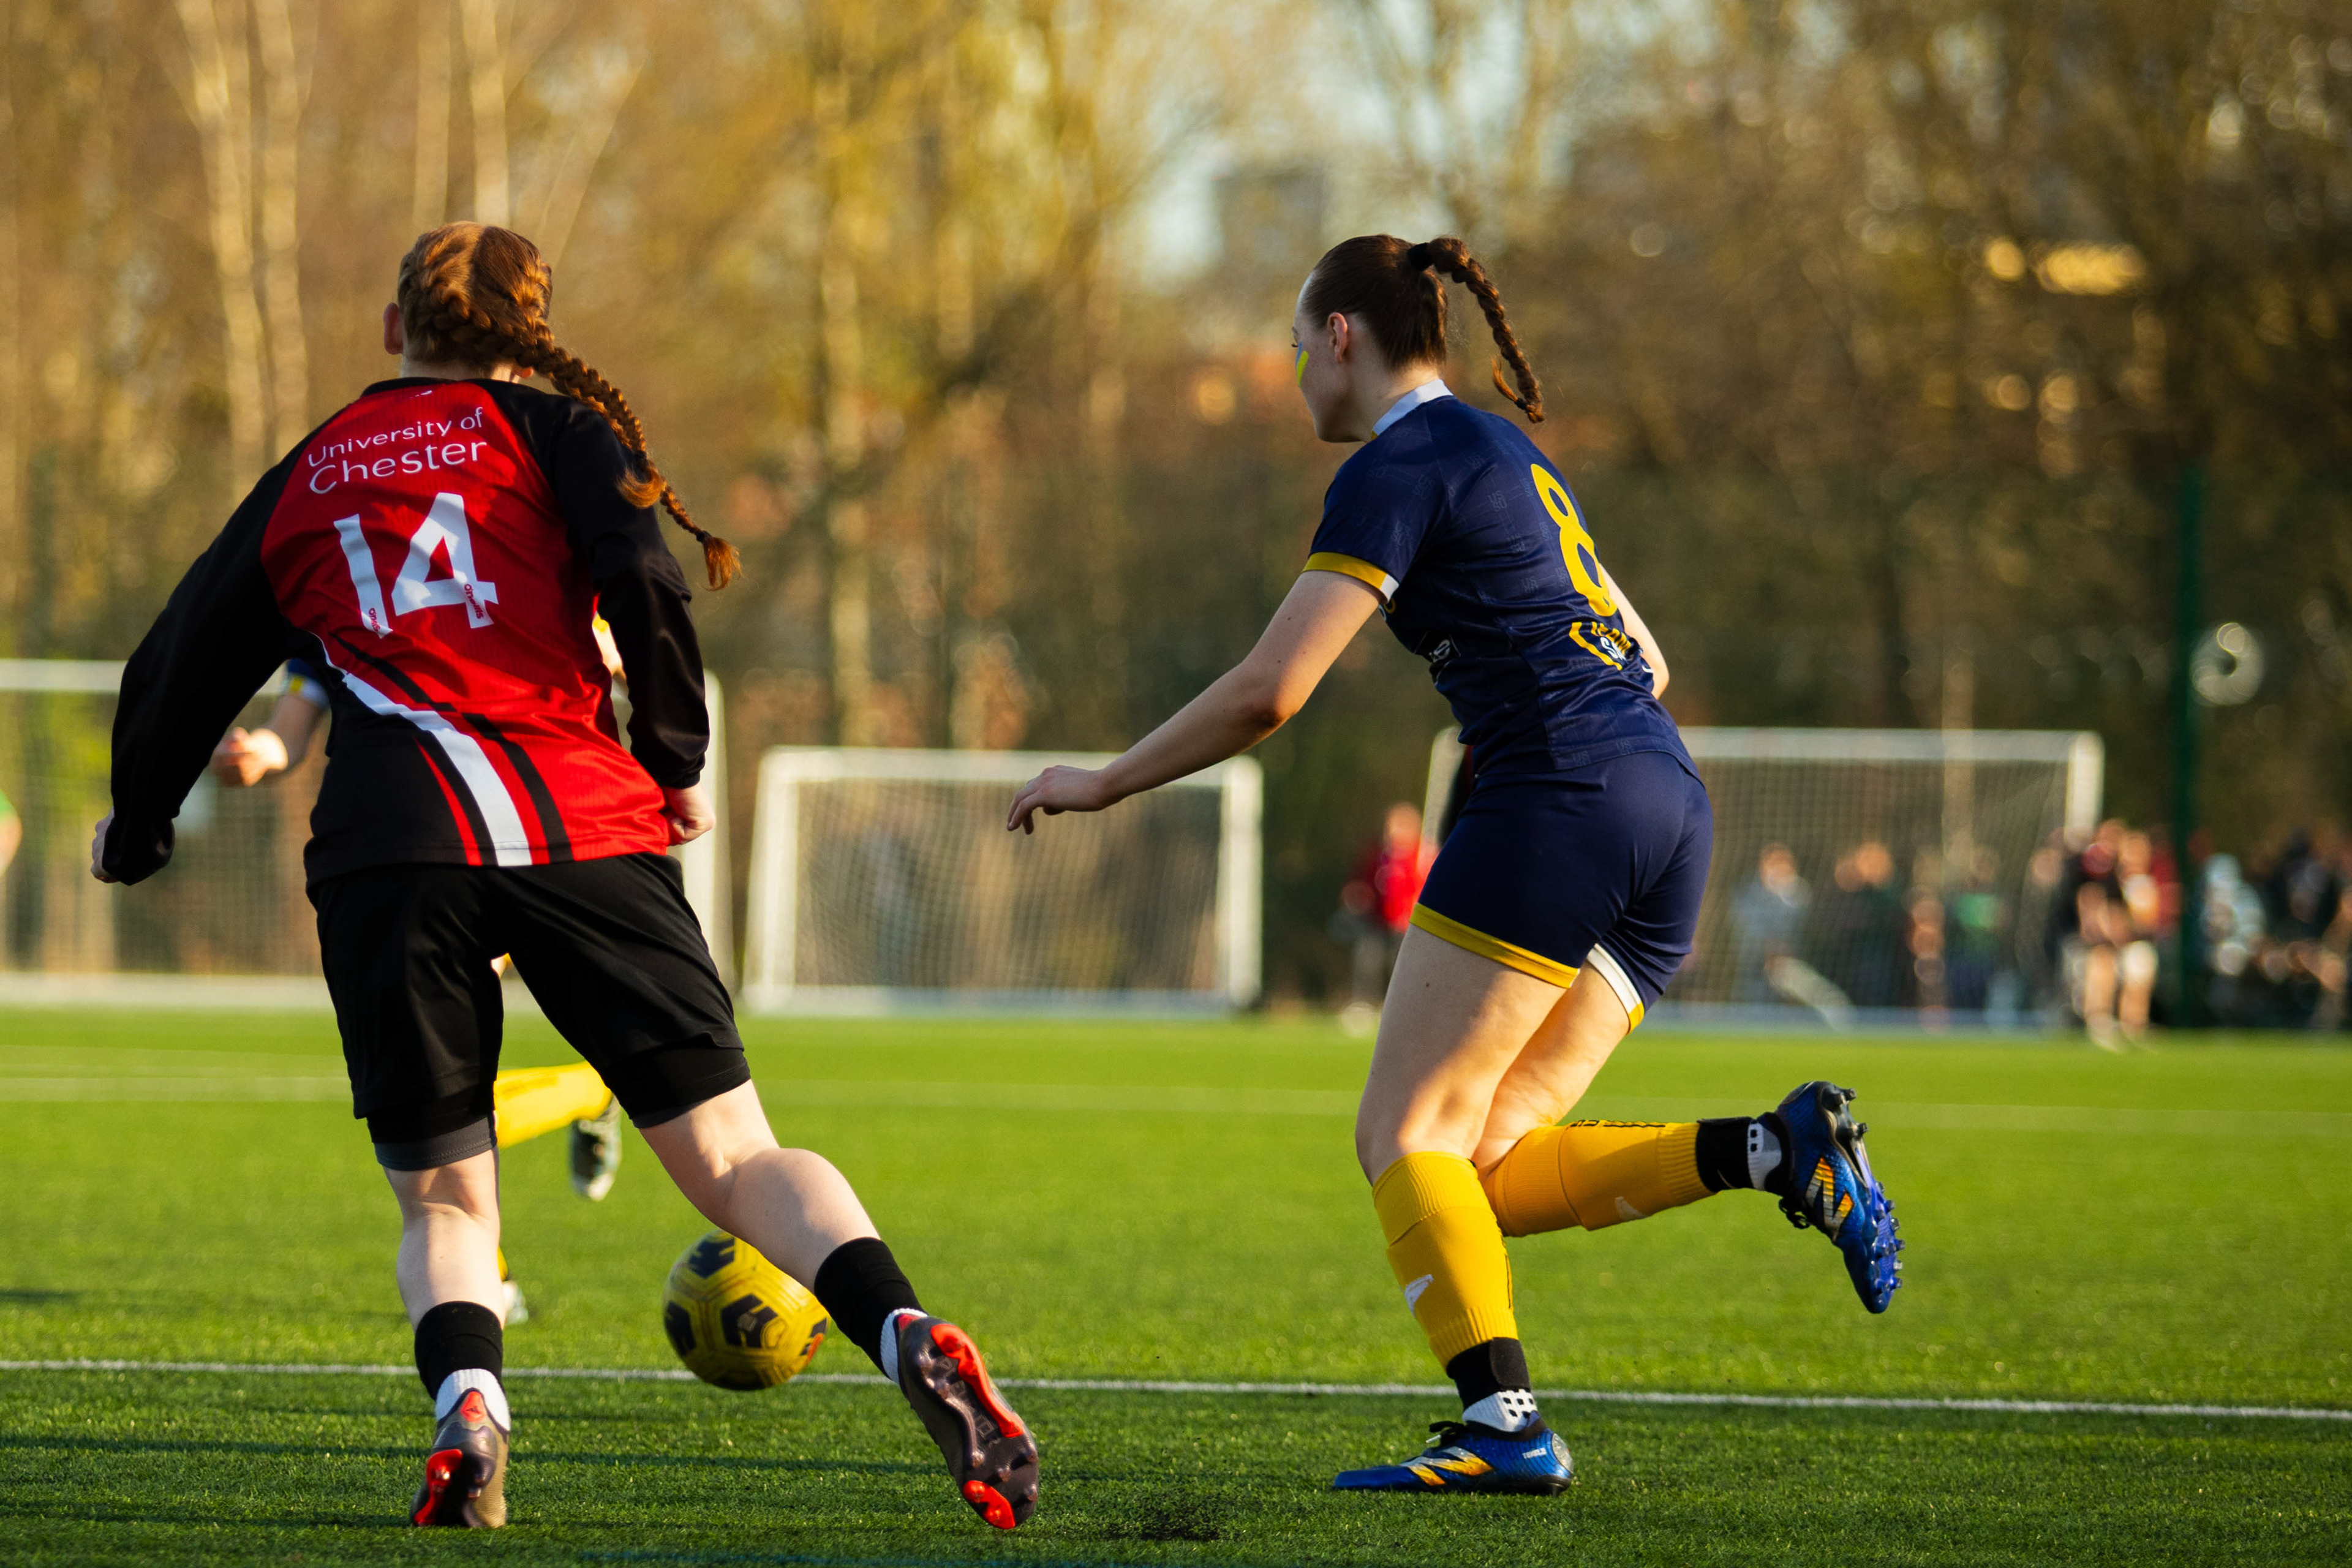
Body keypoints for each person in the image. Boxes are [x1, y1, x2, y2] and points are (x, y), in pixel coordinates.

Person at [93, 222, 1037, 1533]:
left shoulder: (315, 467)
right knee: (732, 1152)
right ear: (534, 327)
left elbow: (180, 654)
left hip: (392, 848)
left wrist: (140, 820)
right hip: (584, 822)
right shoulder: (563, 437)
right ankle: (904, 1327)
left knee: (445, 1190)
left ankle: (471, 1404)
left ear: (390, 330)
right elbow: (645, 577)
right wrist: (677, 749)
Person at [1006, 233, 1900, 1496]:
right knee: (1479, 1162)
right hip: (1667, 802)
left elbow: (1271, 691)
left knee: (1401, 1127)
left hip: (1562, 794)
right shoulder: (1511, 452)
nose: (1292, 371)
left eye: (1293, 342)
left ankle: (1503, 1421)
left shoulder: (1402, 461)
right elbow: (1644, 656)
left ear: (1341, 337)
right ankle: (1778, 1150)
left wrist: (1099, 779)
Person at [1336, 802, 1436, 1026]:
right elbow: (1361, 883)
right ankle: (1364, 1005)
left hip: (1410, 924)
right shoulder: (1378, 855)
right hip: (1378, 921)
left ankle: (1405, 1008)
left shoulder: (1424, 854)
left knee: (1402, 967)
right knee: (1367, 962)